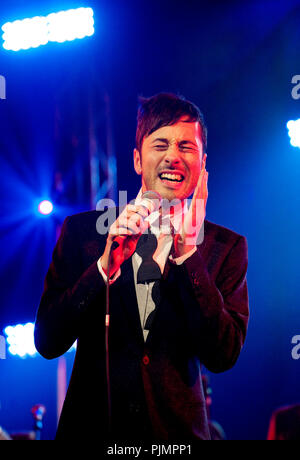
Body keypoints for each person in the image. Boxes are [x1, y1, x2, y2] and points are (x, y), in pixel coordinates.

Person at [34, 93, 249, 443]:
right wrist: (103, 268)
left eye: (186, 147)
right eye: (160, 143)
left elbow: (223, 354)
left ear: (203, 163)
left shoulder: (225, 248)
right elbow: (47, 341)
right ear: (137, 159)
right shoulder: (83, 234)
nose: (173, 157)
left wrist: (188, 254)